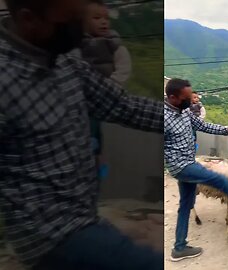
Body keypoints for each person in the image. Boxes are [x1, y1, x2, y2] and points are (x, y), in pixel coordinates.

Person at [0, 0, 163, 269]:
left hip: (85, 217)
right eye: (70, 20)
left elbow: (124, 106)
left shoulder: (66, 64)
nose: (81, 28)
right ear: (29, 19)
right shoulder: (6, 81)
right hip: (49, 236)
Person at [164, 78, 228, 261]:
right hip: (181, 166)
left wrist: (226, 130)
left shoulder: (185, 111)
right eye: (186, 97)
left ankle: (179, 248)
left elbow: (202, 125)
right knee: (220, 180)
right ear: (172, 97)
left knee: (185, 206)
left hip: (189, 162)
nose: (190, 100)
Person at [78, 0, 133, 181]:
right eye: (96, 18)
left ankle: (96, 165)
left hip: (102, 95)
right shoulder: (76, 43)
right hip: (80, 96)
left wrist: (112, 86)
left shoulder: (113, 43)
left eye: (106, 18)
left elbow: (124, 67)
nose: (103, 22)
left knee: (94, 132)